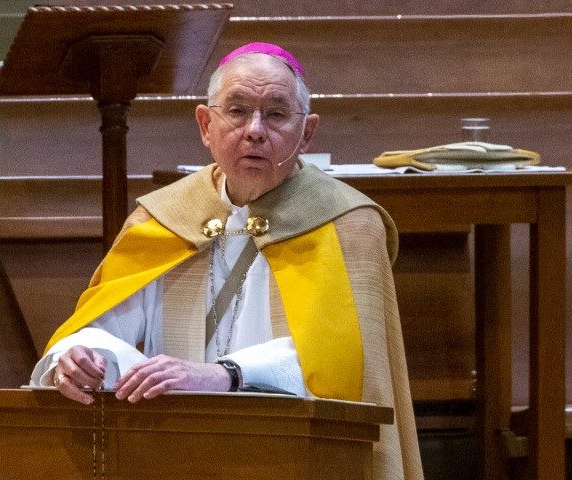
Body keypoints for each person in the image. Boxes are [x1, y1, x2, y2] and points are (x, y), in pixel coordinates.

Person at [30, 42, 423, 479]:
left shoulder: (348, 224)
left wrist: (225, 376)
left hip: (296, 454)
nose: (255, 130)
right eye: (237, 111)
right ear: (205, 124)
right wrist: (84, 358)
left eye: (276, 114)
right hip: (174, 449)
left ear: (306, 133)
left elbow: (347, 366)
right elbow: (102, 328)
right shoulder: (163, 217)